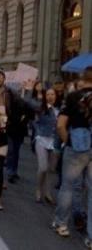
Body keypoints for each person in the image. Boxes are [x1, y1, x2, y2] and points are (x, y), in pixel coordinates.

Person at [53, 67, 92, 247]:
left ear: (83, 77)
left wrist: (68, 141)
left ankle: (61, 224)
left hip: (76, 146)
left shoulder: (74, 96)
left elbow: (61, 125)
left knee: (67, 186)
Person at [23, 82, 59, 204]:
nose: (50, 96)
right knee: (43, 167)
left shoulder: (60, 109)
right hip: (42, 139)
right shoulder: (41, 108)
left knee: (51, 169)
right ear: (45, 96)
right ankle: (38, 189)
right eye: (48, 94)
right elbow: (28, 101)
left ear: (56, 96)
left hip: (55, 141)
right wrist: (28, 89)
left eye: (53, 94)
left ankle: (47, 192)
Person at [0, 69, 26, 184]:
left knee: (10, 150)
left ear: (4, 79)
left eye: (0, 76)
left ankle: (10, 172)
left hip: (7, 124)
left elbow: (20, 103)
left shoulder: (10, 92)